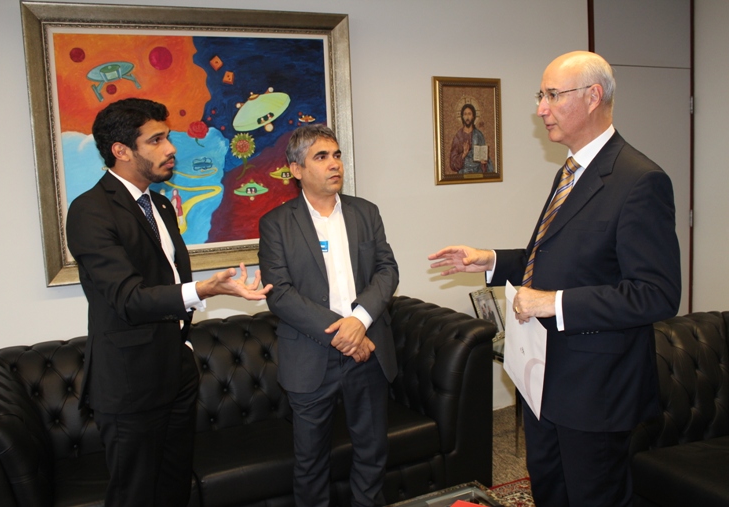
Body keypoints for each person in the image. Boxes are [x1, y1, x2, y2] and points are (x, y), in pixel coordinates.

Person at [429, 51, 681, 507]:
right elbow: (555, 258)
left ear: (593, 97)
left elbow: (656, 293)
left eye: (552, 95)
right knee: (549, 490)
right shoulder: (569, 172)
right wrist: (489, 260)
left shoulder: (640, 181)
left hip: (596, 389)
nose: (540, 108)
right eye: (540, 95)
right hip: (544, 378)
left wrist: (553, 303)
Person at [66, 98, 271, 507]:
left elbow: (165, 279)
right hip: (130, 381)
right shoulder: (90, 211)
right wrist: (204, 290)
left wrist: (184, 346)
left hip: (176, 369)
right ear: (122, 150)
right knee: (136, 495)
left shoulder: (159, 204)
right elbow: (127, 298)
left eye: (168, 137)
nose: (171, 148)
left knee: (174, 488)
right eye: (156, 140)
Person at [258, 124, 399, 507]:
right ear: (296, 169)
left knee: (372, 452)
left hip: (369, 351)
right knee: (310, 462)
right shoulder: (275, 224)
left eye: (336, 155)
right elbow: (280, 294)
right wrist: (344, 333)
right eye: (321, 157)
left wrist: (360, 321)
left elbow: (387, 271)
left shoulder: (365, 212)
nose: (334, 164)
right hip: (310, 356)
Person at [449, 103, 494, 174]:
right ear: (462, 116)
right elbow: (452, 163)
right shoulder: (458, 136)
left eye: (469, 114)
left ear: (473, 116)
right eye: (465, 114)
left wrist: (484, 161)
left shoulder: (479, 135)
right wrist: (463, 154)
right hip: (463, 174)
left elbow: (485, 159)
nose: (467, 117)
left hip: (477, 173)